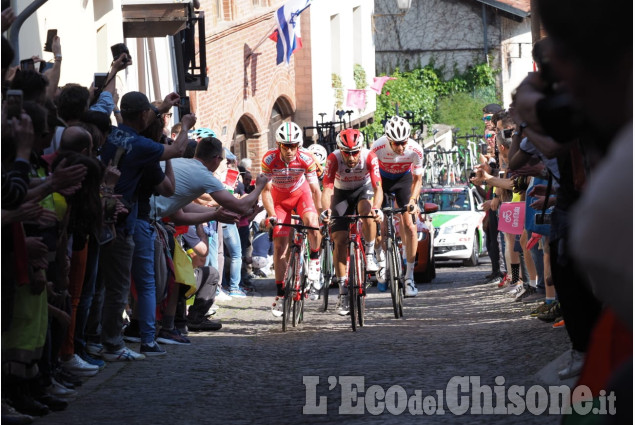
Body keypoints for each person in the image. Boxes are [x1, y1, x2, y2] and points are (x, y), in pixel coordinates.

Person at [96, 90, 193, 362]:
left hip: (104, 215)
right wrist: (184, 127)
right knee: (140, 284)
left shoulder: (114, 134)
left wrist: (161, 108)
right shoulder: (143, 149)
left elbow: (141, 114)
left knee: (104, 285)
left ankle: (100, 339)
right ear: (143, 116)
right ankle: (143, 340)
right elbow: (174, 163)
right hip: (128, 221)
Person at [261, 122, 322, 317]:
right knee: (280, 245)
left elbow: (314, 190)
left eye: (293, 145)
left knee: (313, 224)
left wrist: (321, 214)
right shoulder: (269, 159)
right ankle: (280, 295)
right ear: (279, 145)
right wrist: (271, 215)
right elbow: (266, 191)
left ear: (299, 145)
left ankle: (314, 260)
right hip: (279, 200)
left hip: (300, 194)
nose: (290, 150)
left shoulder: (306, 158)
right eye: (286, 146)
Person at [320, 129, 383, 315]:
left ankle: (370, 254)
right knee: (339, 240)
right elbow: (327, 188)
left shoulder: (370, 157)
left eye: (355, 152)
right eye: (346, 153)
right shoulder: (333, 158)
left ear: (360, 149)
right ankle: (342, 292)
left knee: (367, 211)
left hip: (364, 190)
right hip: (341, 193)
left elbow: (378, 187)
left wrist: (377, 208)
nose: (351, 157)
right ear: (340, 150)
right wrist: (326, 210)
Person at [371, 116, 423, 297]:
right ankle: (383, 261)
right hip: (382, 182)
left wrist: (413, 201)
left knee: (410, 225)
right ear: (388, 140)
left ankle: (409, 277)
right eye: (396, 144)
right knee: (381, 224)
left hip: (404, 180)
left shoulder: (415, 149)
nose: (401, 148)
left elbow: (417, 180)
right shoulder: (377, 147)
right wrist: (376, 206)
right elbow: (373, 179)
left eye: (404, 142)